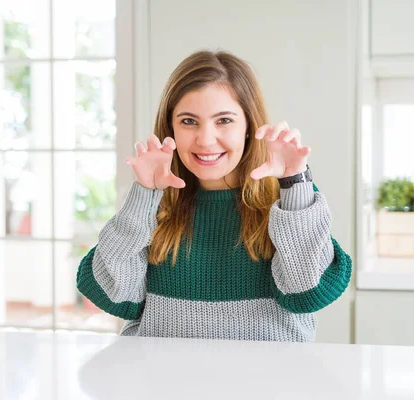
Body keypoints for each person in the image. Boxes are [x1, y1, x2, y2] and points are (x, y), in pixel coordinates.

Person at [76, 50, 352, 342]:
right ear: (171, 127)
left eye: (224, 120)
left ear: (248, 127)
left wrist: (295, 182)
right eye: (188, 121)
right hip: (163, 382)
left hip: (268, 383)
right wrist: (144, 194)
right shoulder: (153, 205)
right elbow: (113, 297)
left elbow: (310, 293)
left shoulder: (288, 203)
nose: (206, 140)